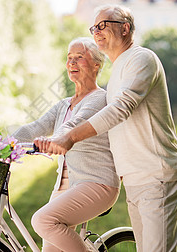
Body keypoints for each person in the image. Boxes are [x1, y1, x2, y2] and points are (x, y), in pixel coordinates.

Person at [34, 4, 177, 252]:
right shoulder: (118, 70)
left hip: (157, 174)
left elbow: (120, 109)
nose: (96, 31)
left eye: (102, 25)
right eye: (94, 27)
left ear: (125, 28)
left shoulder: (142, 58)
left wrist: (69, 138)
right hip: (135, 179)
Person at [12, 37, 120, 252]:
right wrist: (1, 143)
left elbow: (73, 126)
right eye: (69, 58)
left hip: (96, 182)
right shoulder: (64, 104)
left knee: (42, 221)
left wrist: (52, 141)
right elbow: (35, 127)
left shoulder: (100, 99)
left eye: (79, 58)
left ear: (97, 64)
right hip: (63, 187)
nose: (72, 63)